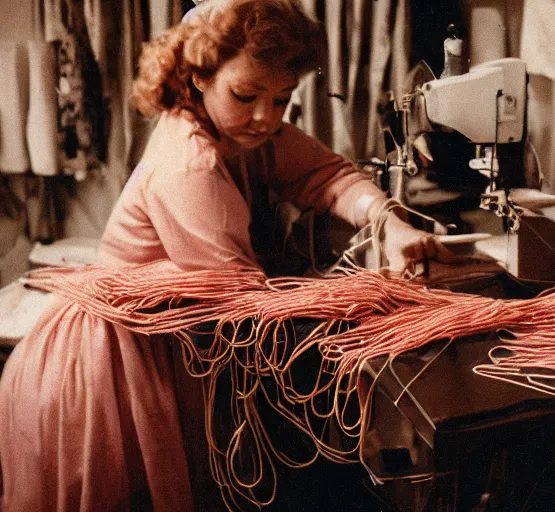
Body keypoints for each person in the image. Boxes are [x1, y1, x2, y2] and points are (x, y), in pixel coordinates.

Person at [0, 1, 450, 509]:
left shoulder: (245, 130)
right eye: (246, 95)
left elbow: (325, 174)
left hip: (170, 347)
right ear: (198, 78)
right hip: (108, 369)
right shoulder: (189, 164)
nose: (266, 117)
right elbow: (248, 307)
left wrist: (385, 221)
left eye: (282, 99)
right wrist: (365, 298)